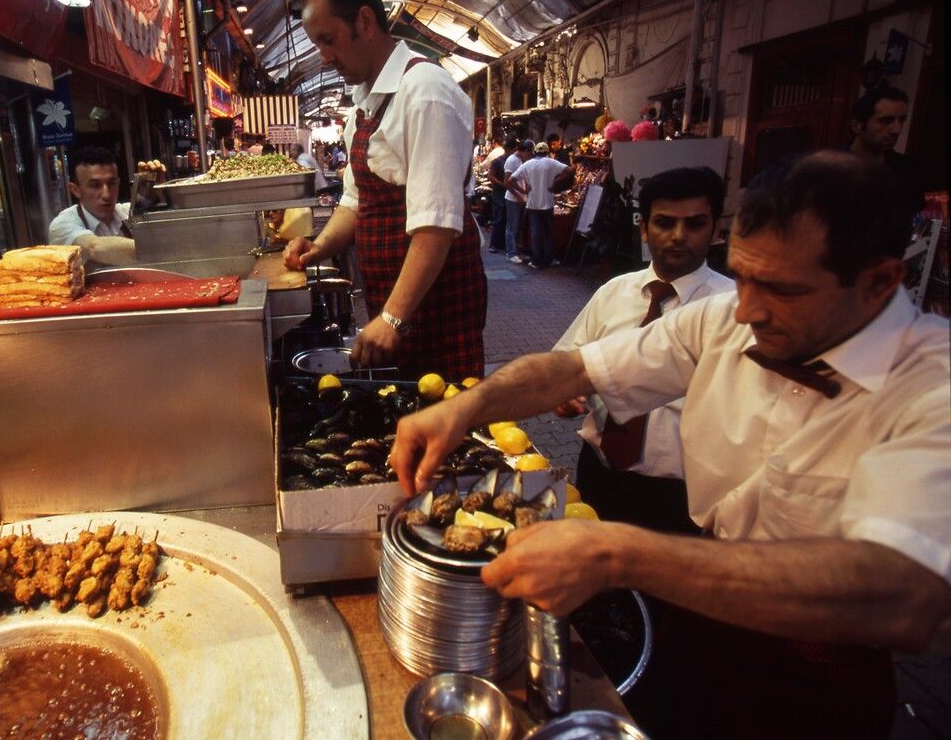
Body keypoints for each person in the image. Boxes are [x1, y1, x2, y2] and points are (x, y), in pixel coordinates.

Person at [390, 151, 951, 738]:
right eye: (744, 276)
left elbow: (901, 592)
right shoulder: (723, 320)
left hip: (819, 670)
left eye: (782, 289)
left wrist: (616, 554)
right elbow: (574, 370)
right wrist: (466, 408)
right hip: (703, 615)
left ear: (879, 282)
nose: (749, 308)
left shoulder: (930, 384)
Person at [282, 0, 487, 380]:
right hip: (394, 305)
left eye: (328, 40)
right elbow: (357, 202)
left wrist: (393, 317)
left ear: (364, 21)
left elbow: (435, 225)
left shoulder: (425, 91)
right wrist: (318, 248)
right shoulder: (364, 106)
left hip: (436, 311)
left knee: (448, 426)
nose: (324, 57)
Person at [555, 166, 732, 534]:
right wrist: (567, 394)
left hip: (683, 497)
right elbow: (565, 364)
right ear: (643, 227)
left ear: (716, 230)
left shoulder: (736, 309)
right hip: (599, 475)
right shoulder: (613, 293)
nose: (679, 236)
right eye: (665, 223)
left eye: (695, 224)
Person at [48, 146, 136, 266]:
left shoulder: (125, 212)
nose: (106, 194)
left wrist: (155, 185)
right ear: (75, 190)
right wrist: (156, 248)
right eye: (95, 185)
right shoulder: (62, 224)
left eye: (112, 183)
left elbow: (150, 206)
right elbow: (93, 247)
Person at [848, 84, 924, 216]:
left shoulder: (907, 170)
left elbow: (914, 218)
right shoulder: (828, 166)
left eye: (901, 120)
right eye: (886, 120)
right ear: (857, 125)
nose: (897, 129)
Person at [507, 141, 572, 269]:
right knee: (548, 232)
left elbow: (510, 180)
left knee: (535, 233)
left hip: (532, 204)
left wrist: (523, 190)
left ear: (535, 152)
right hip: (547, 203)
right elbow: (569, 171)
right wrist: (555, 183)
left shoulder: (527, 164)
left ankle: (536, 260)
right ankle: (549, 259)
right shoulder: (550, 162)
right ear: (547, 152)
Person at [502, 139, 533, 264]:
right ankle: (511, 253)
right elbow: (507, 182)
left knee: (518, 227)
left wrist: (524, 191)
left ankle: (516, 251)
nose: (529, 156)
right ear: (524, 150)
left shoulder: (519, 160)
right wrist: (520, 194)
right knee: (512, 227)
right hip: (513, 199)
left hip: (519, 198)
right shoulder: (512, 161)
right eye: (529, 153)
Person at [487, 137, 518, 254]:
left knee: (506, 219)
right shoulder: (497, 161)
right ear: (509, 149)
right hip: (499, 194)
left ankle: (502, 244)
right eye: (514, 149)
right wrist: (502, 184)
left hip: (508, 193)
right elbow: (490, 176)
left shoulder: (513, 161)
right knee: (498, 218)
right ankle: (493, 244)